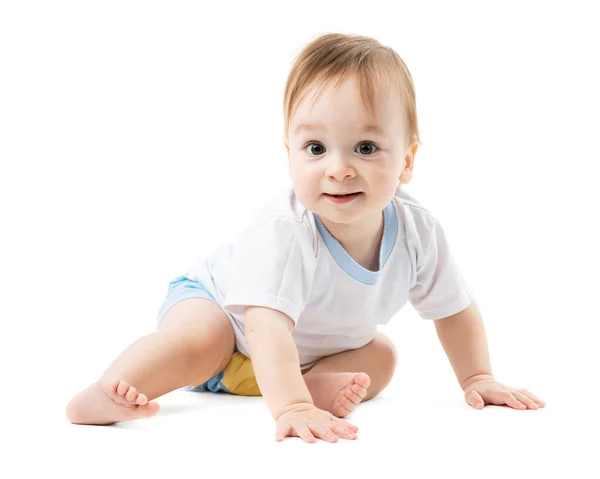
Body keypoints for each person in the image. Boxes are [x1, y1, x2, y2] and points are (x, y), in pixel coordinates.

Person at [66, 32, 546, 443]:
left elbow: (456, 312)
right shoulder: (286, 231)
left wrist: (478, 376)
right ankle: (109, 390)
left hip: (290, 351)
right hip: (222, 308)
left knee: (380, 357)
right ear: (290, 153)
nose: (338, 169)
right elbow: (265, 328)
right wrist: (291, 408)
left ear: (407, 159)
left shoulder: (418, 232)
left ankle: (298, 382)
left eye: (366, 147)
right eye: (315, 148)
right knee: (202, 342)